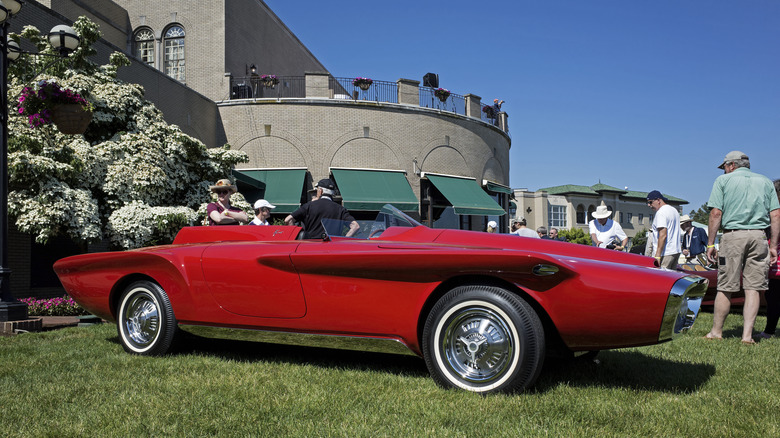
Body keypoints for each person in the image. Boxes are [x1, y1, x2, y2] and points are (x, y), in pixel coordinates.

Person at [703, 151, 780, 344]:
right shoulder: (765, 182)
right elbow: (776, 215)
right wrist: (774, 246)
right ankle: (747, 336)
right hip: (759, 235)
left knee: (725, 286)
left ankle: (716, 332)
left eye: (725, 168)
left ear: (731, 165)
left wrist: (711, 243)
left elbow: (715, 213)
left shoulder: (723, 181)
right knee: (753, 288)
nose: (725, 171)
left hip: (733, 235)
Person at [285, 178, 359, 239]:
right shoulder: (340, 209)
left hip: (310, 248)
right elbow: (355, 226)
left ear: (320, 191)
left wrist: (296, 239)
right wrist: (343, 240)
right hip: (332, 248)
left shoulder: (309, 206)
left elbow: (288, 219)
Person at [758, 178, 780, 340]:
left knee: (773, 297)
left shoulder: (774, 214)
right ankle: (770, 329)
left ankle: (770, 330)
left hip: (776, 264)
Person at [647, 190, 681, 268]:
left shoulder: (661, 213)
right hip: (675, 251)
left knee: (659, 278)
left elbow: (662, 235)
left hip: (665, 253)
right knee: (672, 278)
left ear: (658, 200)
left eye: (650, 202)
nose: (649, 205)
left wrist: (658, 256)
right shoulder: (674, 210)